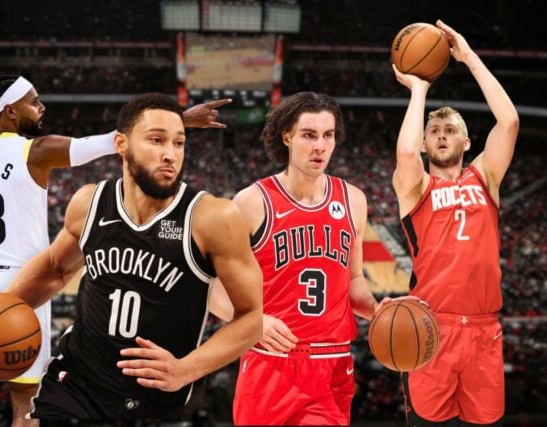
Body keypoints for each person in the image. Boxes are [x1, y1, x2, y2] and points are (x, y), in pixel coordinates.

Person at [0, 72, 231, 427]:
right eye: (32, 101)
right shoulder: (38, 151)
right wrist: (184, 120)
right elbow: (114, 141)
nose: (41, 106)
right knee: (27, 400)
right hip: (26, 284)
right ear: (10, 112)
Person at [4, 92, 263, 421]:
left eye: (179, 143)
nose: (170, 154)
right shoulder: (89, 202)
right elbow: (55, 270)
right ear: (121, 145)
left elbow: (251, 317)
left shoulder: (213, 217)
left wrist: (186, 369)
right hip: (75, 380)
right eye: (157, 140)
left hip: (151, 398)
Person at [210, 91, 393, 425]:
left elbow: (353, 281)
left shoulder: (353, 200)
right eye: (309, 135)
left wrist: (379, 311)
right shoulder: (252, 202)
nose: (320, 146)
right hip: (269, 362)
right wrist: (255, 322)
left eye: (328, 135)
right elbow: (212, 288)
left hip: (332, 366)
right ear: (287, 137)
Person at [391, 20, 519, 426]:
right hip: (431, 327)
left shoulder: (486, 177)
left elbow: (509, 122)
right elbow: (406, 153)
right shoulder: (416, 188)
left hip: (484, 330)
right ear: (426, 142)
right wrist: (420, 90)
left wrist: (469, 59)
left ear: (467, 143)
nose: (442, 135)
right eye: (434, 131)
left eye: (451, 131)